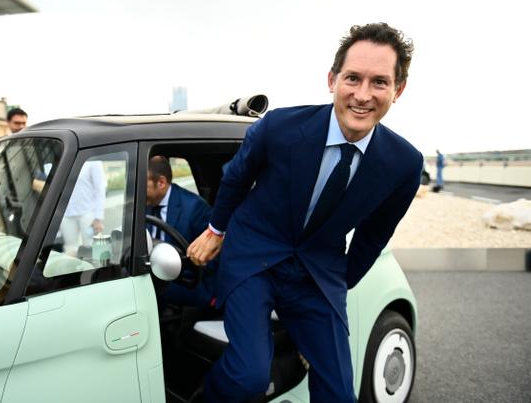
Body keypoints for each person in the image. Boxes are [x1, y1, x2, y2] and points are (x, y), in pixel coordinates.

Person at [187, 23, 423, 403]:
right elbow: (236, 177)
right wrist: (216, 230)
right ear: (332, 80)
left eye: (379, 82)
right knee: (249, 376)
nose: (363, 95)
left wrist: (337, 284)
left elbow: (375, 234)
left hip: (318, 272)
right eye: (353, 78)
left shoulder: (405, 164)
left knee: (339, 393)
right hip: (255, 256)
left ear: (398, 90)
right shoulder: (279, 127)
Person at [146, 156, 213, 308]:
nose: (139, 190)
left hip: (185, 284)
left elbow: (211, 260)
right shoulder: (144, 203)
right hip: (152, 277)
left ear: (161, 182)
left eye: (144, 184)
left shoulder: (195, 208)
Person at [60, 160, 106, 257]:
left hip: (88, 213)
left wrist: (98, 218)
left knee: (92, 248)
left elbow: (100, 189)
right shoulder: (64, 160)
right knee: (70, 250)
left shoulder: (93, 161)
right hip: (67, 214)